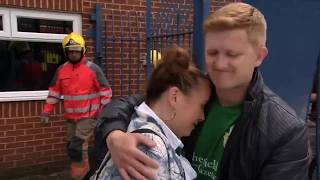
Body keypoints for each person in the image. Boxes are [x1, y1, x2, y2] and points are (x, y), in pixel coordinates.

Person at [95, 2, 309, 180]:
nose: (219, 64)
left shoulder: (285, 132)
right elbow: (124, 105)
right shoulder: (195, 92)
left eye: (232, 54)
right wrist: (115, 137)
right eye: (212, 52)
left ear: (259, 56)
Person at [90, 46, 211, 179]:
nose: (202, 117)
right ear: (175, 96)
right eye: (202, 105)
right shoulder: (149, 147)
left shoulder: (153, 135)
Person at [40, 32, 112, 180]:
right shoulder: (61, 70)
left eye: (76, 51)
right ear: (66, 52)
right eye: (70, 51)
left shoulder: (93, 69)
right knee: (71, 147)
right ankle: (88, 170)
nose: (73, 54)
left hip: (89, 116)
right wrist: (47, 112)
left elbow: (106, 92)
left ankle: (80, 176)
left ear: (83, 50)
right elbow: (54, 92)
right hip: (70, 118)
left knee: (77, 146)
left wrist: (104, 113)